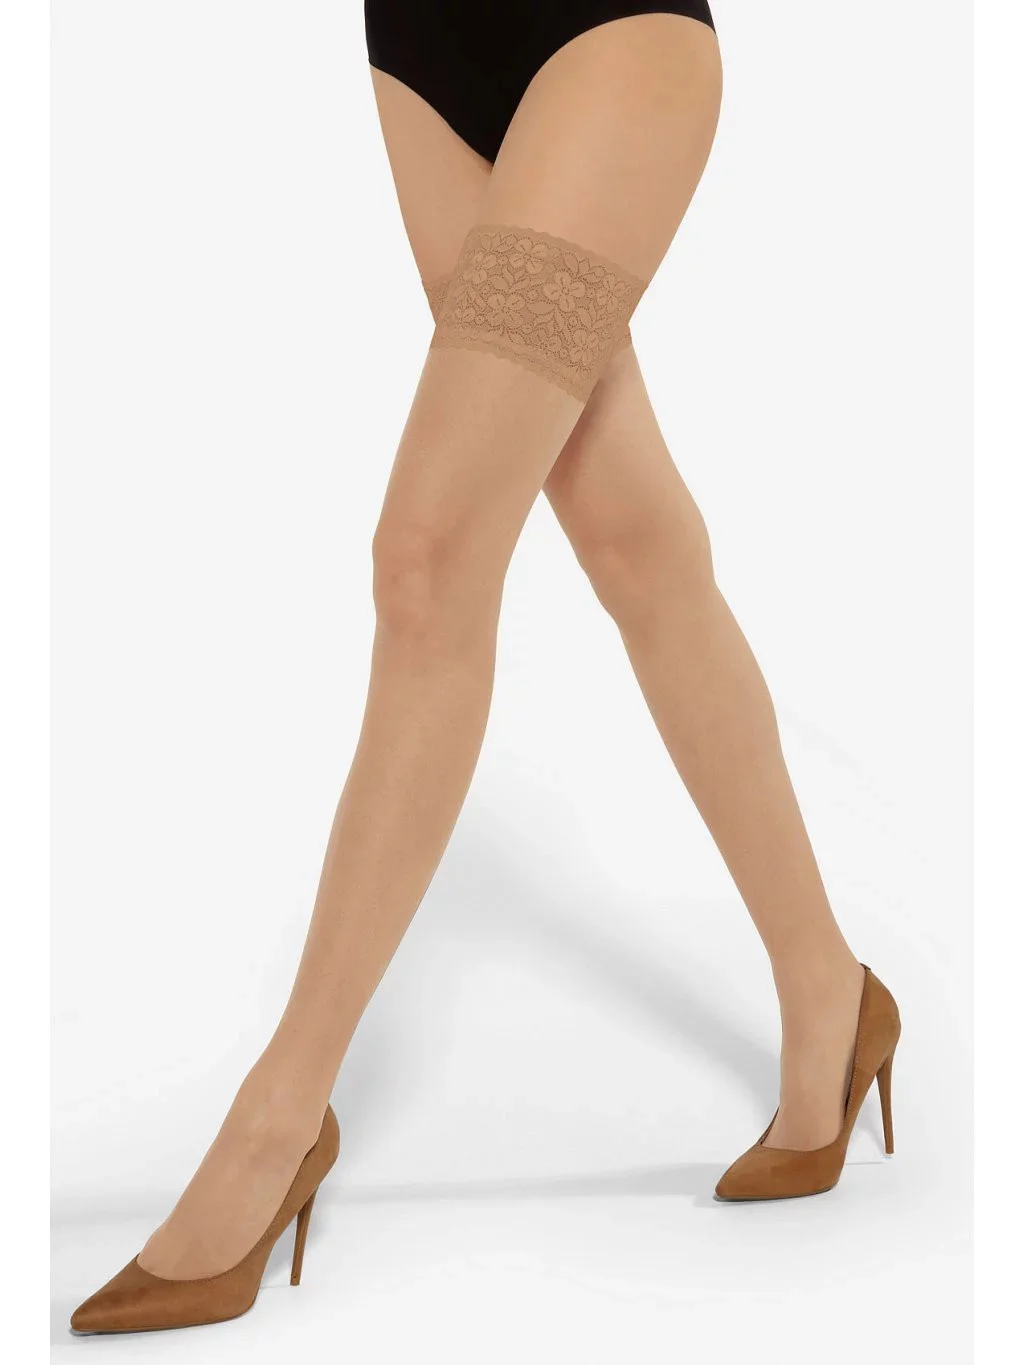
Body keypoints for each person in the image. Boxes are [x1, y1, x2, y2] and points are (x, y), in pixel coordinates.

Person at [70, 1, 900, 1335]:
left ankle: (280, 1118)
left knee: (429, 555)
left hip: (609, 32)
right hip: (422, 53)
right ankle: (831, 989)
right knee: (629, 536)